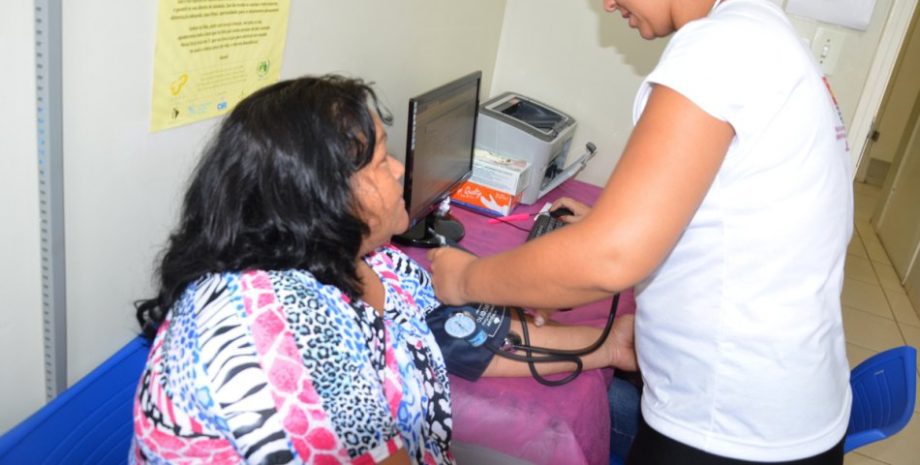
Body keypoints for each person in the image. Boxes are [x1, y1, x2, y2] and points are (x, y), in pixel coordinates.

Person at [430, 0, 853, 464]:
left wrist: (468, 278)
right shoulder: (763, 31)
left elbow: (610, 257)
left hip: (731, 426)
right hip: (791, 400)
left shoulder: (716, 51)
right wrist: (607, 227)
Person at [130, 74, 636, 465]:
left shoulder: (372, 263)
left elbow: (470, 337)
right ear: (318, 199)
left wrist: (610, 344)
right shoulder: (270, 332)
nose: (398, 169)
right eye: (377, 162)